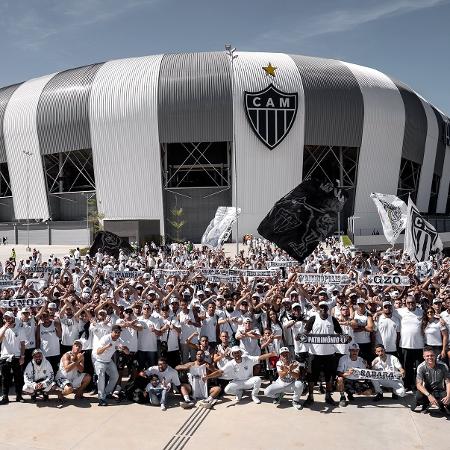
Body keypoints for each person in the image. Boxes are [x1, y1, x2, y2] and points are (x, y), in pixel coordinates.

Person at [304, 301, 344, 406]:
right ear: (318, 308)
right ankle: (310, 396)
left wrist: (344, 338)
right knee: (311, 376)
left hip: (329, 353)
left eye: (325, 307)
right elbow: (305, 332)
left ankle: (328, 396)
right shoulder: (313, 318)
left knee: (329, 376)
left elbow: (340, 333)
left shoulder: (332, 319)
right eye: (321, 307)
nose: (323, 309)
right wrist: (301, 336)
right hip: (314, 353)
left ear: (328, 308)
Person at [204, 346, 276, 404]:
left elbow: (260, 357)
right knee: (227, 390)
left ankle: (254, 396)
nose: (237, 355)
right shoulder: (230, 363)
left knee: (258, 379)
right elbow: (220, 371)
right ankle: (239, 393)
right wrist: (208, 377)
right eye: (235, 353)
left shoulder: (248, 359)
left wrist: (270, 354)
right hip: (237, 382)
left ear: (240, 353)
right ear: (233, 355)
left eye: (238, 353)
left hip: (248, 381)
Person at [95, 325, 130, 406]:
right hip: (99, 360)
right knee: (101, 378)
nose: (117, 334)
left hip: (108, 361)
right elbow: (98, 352)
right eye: (116, 332)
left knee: (115, 376)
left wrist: (124, 348)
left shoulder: (118, 340)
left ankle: (106, 393)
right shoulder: (105, 338)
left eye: (119, 332)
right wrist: (106, 347)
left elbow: (127, 352)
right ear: (112, 331)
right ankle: (101, 399)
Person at [411, 346, 450, 414]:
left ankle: (442, 405)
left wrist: (448, 396)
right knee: (418, 397)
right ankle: (425, 404)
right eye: (427, 356)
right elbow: (418, 385)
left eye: (432, 355)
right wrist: (429, 396)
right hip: (427, 390)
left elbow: (448, 382)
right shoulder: (421, 367)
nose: (430, 357)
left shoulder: (443, 365)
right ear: (424, 357)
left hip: (440, 390)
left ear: (435, 356)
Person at [0, 311, 26, 404]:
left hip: (17, 356)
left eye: (9, 318)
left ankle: (19, 396)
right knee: (5, 378)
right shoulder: (2, 329)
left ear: (13, 318)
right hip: (4, 357)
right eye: (5, 318)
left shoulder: (20, 329)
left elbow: (23, 344)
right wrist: (5, 328)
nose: (7, 320)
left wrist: (22, 357)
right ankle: (5, 397)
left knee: (18, 378)